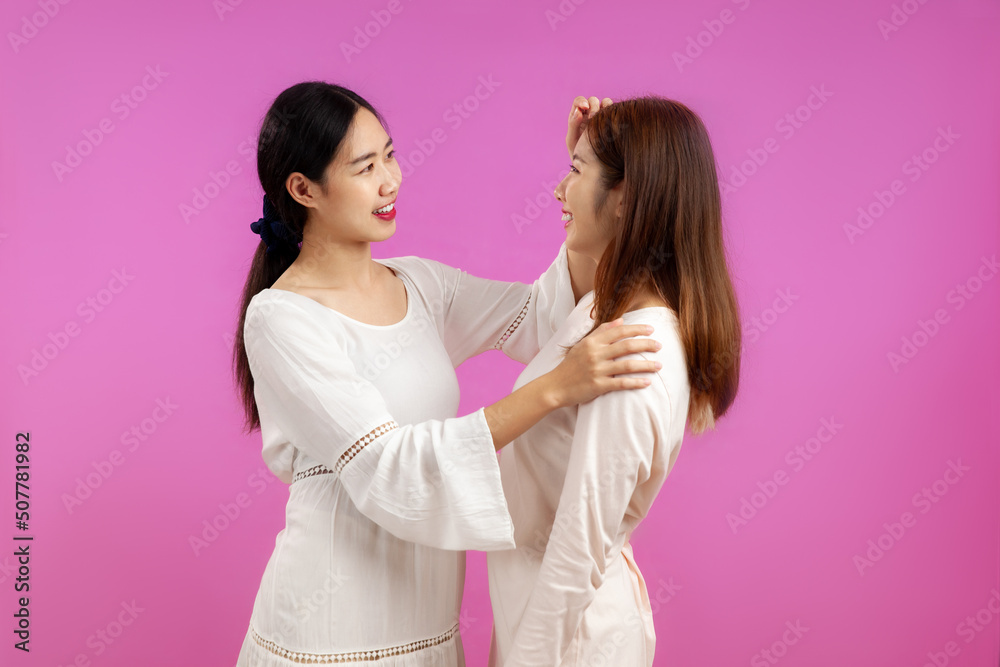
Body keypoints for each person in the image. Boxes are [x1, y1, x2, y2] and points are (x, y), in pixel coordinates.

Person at [230, 82, 664, 666]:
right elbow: (386, 468)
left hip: (428, 633)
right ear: (303, 189)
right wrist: (556, 387)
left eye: (389, 154)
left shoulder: (418, 285)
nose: (390, 180)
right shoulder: (280, 319)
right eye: (364, 167)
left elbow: (543, 317)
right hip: (327, 636)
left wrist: (592, 187)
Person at [487, 95, 742, 666]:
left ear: (625, 197)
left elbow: (578, 548)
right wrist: (588, 166)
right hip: (547, 625)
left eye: (574, 173)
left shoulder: (634, 352)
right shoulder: (610, 314)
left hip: (570, 642)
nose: (558, 190)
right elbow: (563, 305)